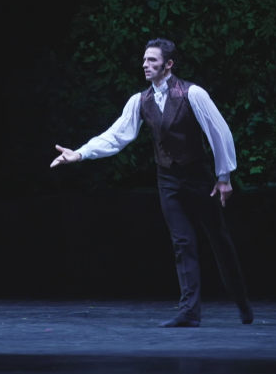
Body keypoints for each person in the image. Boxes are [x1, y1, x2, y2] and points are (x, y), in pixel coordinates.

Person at [50, 38, 253, 327]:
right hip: (167, 178)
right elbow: (116, 135)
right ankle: (189, 312)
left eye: (152, 60)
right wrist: (80, 153)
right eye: (145, 60)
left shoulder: (193, 94)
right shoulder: (140, 100)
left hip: (198, 175)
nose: (145, 65)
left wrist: (224, 177)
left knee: (218, 238)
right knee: (182, 242)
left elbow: (219, 133)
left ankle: (241, 300)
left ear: (168, 64)